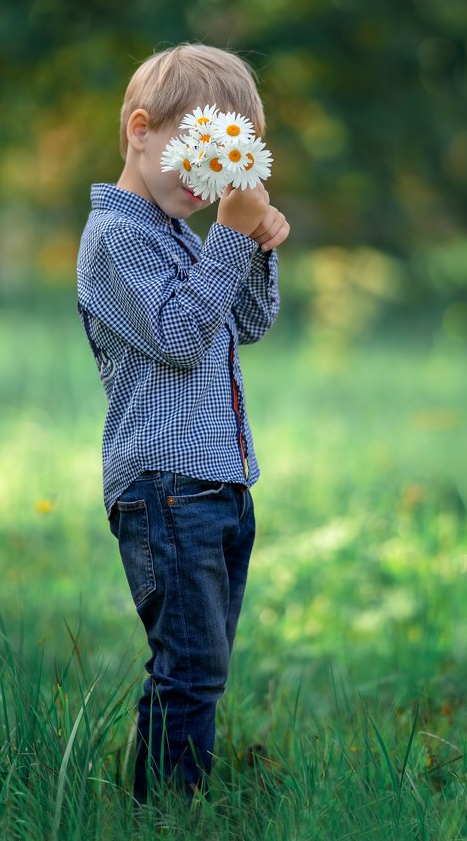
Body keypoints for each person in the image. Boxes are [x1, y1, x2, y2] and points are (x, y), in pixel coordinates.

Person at [76, 43, 289, 804]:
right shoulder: (117, 240)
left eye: (225, 164)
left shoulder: (175, 233)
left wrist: (256, 246)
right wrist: (228, 236)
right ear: (141, 129)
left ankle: (162, 799)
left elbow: (250, 323)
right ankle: (168, 814)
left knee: (200, 666)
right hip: (166, 486)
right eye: (199, 156)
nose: (209, 184)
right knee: (190, 669)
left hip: (218, 482)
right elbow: (177, 335)